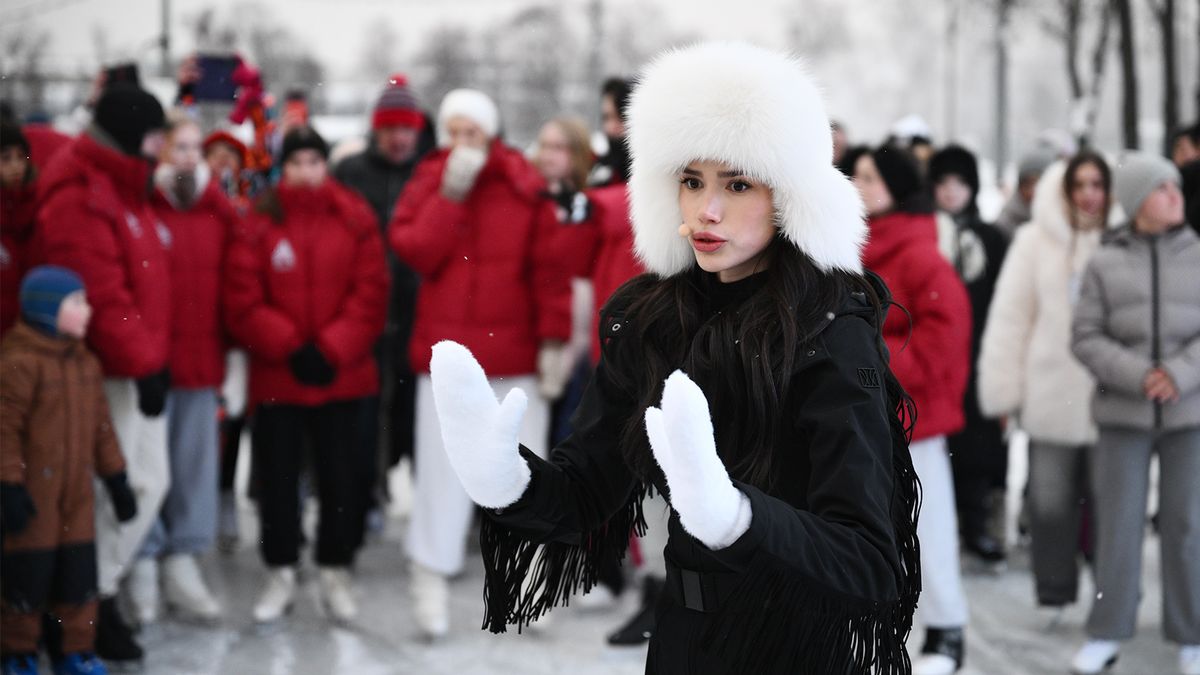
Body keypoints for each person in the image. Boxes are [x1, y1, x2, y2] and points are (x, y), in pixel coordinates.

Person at [425, 41, 920, 674]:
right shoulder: (652, 319)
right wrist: (505, 479)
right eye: (691, 181)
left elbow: (869, 561)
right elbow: (586, 494)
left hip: (802, 650)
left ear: (786, 196)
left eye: (737, 183)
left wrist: (735, 516)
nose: (706, 210)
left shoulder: (829, 329)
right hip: (685, 643)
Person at [388, 88, 573, 638]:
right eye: (455, 132)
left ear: (490, 135)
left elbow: (550, 273)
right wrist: (448, 196)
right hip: (447, 361)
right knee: (440, 476)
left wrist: (553, 344)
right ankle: (430, 577)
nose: (463, 143)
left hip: (513, 355)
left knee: (521, 472)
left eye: (473, 132)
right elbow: (416, 250)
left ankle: (528, 584)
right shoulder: (431, 179)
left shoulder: (523, 185)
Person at [224, 126, 387, 625]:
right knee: (277, 481)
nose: (306, 171)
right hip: (280, 379)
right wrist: (290, 345)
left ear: (325, 164)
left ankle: (335, 568)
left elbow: (371, 291)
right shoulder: (258, 221)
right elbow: (242, 296)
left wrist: (332, 347)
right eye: (296, 162)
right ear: (283, 167)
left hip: (342, 376)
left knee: (342, 479)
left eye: (315, 161)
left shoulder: (354, 215)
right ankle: (280, 568)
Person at [34, 82, 169, 668]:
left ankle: (95, 591)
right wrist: (142, 363)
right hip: (103, 370)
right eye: (154, 134)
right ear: (130, 133)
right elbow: (100, 294)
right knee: (118, 489)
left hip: (134, 363)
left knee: (146, 483)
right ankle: (80, 603)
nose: (161, 147)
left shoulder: (123, 181)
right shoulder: (81, 190)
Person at [1069, 152, 1200, 675]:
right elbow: (1085, 336)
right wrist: (1138, 374)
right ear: (1138, 200)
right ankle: (1107, 631)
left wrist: (1180, 373)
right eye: (1163, 188)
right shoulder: (1103, 261)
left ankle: (1192, 634)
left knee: (1187, 526)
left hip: (1189, 417)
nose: (1176, 196)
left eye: (1176, 187)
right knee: (1117, 528)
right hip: (1123, 417)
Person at [855, 144, 973, 675]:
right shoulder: (856, 245)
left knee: (927, 522)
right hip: (860, 410)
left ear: (894, 188)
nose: (855, 184)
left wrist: (877, 369)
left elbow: (945, 333)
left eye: (867, 177)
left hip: (911, 416)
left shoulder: (918, 253)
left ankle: (947, 628)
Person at [978, 152, 1110, 618]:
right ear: (1065, 190)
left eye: (1098, 185)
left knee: (1109, 504)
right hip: (1050, 393)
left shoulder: (1118, 242)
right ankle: (1055, 590)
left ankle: (1111, 590)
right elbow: (1011, 318)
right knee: (1049, 503)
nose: (1089, 195)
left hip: (1110, 396)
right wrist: (1003, 390)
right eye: (1080, 185)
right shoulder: (1034, 242)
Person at [123, 111, 239, 625]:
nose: (188, 157)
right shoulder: (142, 207)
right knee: (147, 470)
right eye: (179, 148)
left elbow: (237, 289)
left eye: (195, 148)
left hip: (200, 364)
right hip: (149, 368)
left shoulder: (221, 213)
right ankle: (144, 558)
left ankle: (184, 559)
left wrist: (234, 357)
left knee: (194, 467)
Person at [1, 266, 136, 675]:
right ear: (47, 311)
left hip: (77, 498)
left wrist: (117, 479)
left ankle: (74, 651)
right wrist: (7, 485)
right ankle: (18, 653)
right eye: (77, 303)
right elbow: (3, 430)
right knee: (27, 579)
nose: (88, 310)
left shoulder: (86, 365)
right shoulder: (18, 364)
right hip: (33, 498)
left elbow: (102, 429)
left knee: (78, 582)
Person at [333, 73, 436, 543]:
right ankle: (366, 495)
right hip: (366, 315)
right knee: (365, 417)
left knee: (416, 418)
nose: (399, 138)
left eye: (407, 129)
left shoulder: (430, 173)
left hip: (419, 314)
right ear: (376, 129)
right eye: (390, 128)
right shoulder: (352, 175)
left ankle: (427, 506)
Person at [928, 144, 1010, 568]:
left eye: (960, 183)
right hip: (936, 356)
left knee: (978, 446)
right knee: (937, 445)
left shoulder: (991, 237)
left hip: (980, 352)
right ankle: (941, 531)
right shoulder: (924, 233)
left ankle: (976, 526)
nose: (951, 192)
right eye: (943, 183)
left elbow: (1003, 301)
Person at [1, 122, 38, 337]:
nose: (16, 166)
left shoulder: (38, 207)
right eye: (5, 158)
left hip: (29, 338)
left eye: (21, 157)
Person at [994, 146, 1057, 239]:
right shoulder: (1004, 224)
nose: (1033, 191)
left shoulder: (1061, 221)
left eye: (1038, 184)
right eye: (1027, 184)